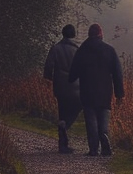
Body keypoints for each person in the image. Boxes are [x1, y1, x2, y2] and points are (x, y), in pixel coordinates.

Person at [68, 23, 124, 157]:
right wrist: (119, 94)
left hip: (87, 91)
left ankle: (93, 149)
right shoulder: (109, 50)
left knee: (91, 121)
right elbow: (117, 73)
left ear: (89, 34)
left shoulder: (82, 50)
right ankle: (105, 143)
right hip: (105, 92)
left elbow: (73, 74)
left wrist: (72, 78)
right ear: (100, 34)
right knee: (103, 120)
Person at [42, 24, 82, 153]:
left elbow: (48, 66)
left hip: (60, 85)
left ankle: (62, 144)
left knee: (62, 111)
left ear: (63, 34)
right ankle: (65, 126)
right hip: (76, 85)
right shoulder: (77, 49)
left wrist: (50, 78)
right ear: (74, 34)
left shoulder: (56, 48)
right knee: (78, 106)